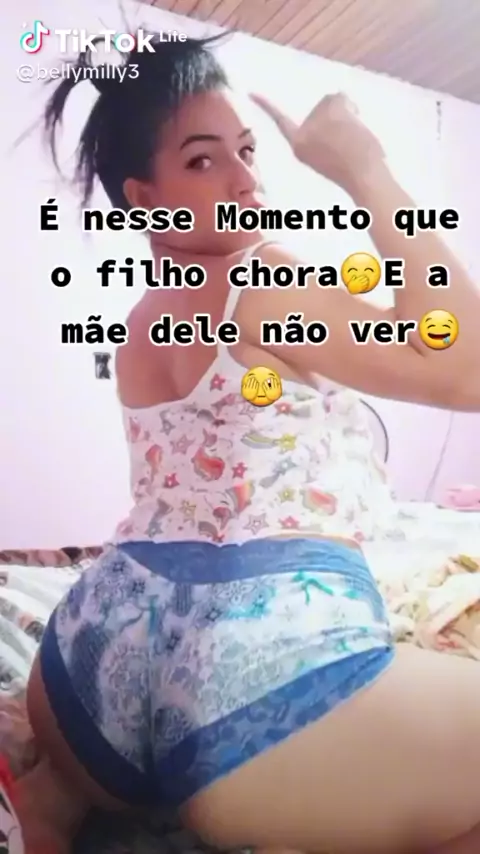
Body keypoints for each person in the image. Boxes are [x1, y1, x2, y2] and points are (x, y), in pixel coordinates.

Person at [15, 31, 480, 854]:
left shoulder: (144, 322)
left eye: (247, 150)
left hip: (88, 668)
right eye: (203, 160)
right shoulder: (262, 280)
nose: (245, 180)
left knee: (60, 803)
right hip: (252, 659)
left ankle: (50, 803)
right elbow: (465, 367)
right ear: (144, 198)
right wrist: (364, 167)